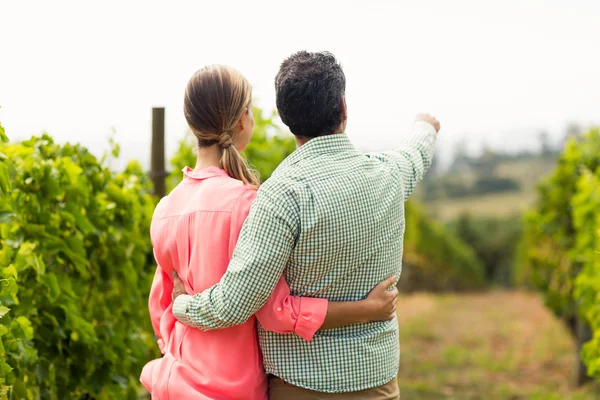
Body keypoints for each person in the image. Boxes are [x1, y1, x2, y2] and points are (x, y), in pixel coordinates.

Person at [171, 51, 440, 399]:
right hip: (377, 379)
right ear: (343, 108)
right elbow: (416, 153)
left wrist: (181, 305)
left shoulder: (280, 196)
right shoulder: (389, 174)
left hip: (299, 385)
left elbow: (235, 303)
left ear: (286, 119)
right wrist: (425, 126)